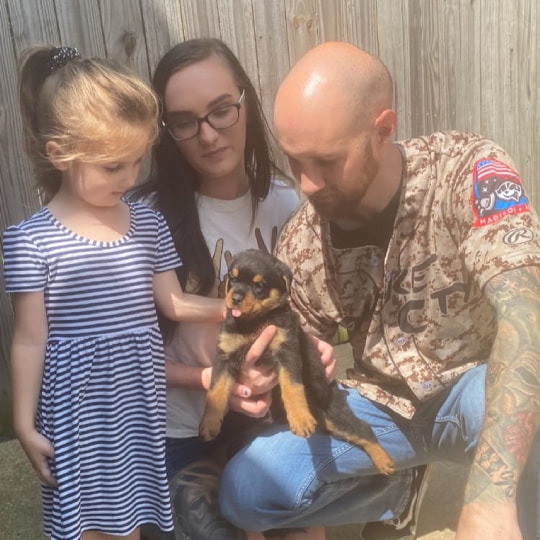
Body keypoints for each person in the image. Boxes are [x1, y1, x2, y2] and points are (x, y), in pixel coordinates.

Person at [219, 41, 540, 540]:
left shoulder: (465, 171)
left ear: (382, 130)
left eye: (325, 161)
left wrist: (488, 501)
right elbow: (300, 349)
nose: (306, 183)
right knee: (247, 490)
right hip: (378, 404)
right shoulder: (304, 237)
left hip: (473, 389)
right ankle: (398, 491)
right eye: (294, 160)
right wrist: (266, 374)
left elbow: (527, 310)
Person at [3, 45, 225, 540]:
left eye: (136, 161)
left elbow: (172, 303)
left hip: (137, 402)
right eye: (111, 167)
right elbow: (29, 339)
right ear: (59, 153)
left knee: (131, 520)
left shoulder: (147, 224)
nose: (128, 179)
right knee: (84, 526)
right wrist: (22, 422)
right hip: (75, 410)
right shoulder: (30, 240)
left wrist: (233, 308)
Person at [132, 38, 334, 540]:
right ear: (166, 133)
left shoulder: (290, 206)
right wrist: (211, 380)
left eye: (221, 111)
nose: (207, 135)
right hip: (181, 435)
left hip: (272, 418)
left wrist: (318, 353)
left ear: (245, 102)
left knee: (300, 518)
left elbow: (309, 315)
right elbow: (124, 355)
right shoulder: (146, 220)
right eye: (183, 121)